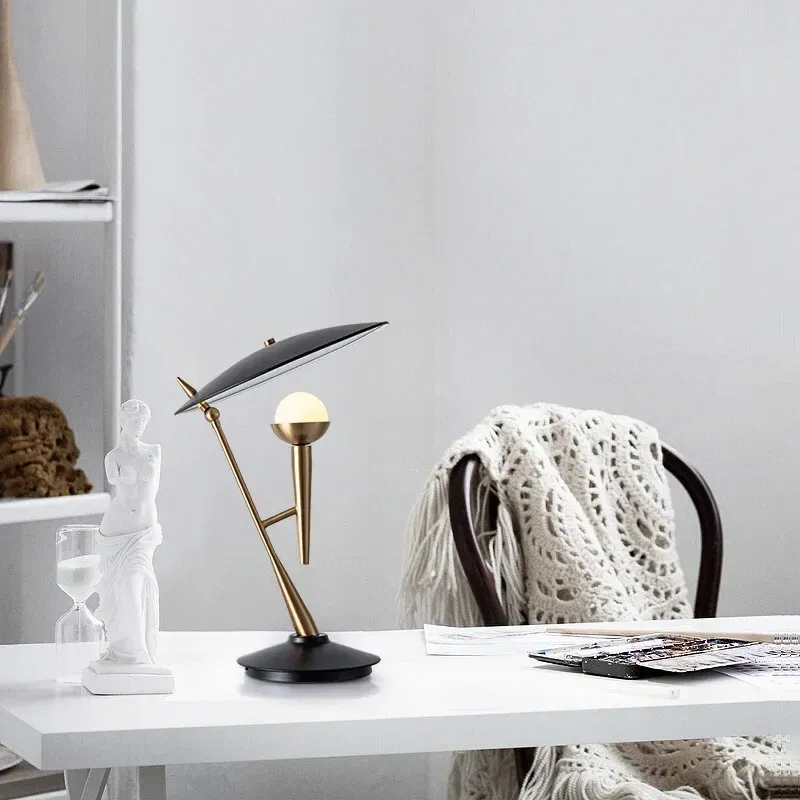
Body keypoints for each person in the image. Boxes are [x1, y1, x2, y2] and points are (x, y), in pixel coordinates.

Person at [95, 399, 163, 665]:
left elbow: (152, 490)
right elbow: (116, 482)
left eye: (143, 422)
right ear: (123, 422)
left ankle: (136, 652)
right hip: (116, 530)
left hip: (142, 532)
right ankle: (127, 651)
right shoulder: (113, 457)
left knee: (134, 590)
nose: (139, 426)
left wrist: (154, 527)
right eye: (135, 421)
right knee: (122, 593)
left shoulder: (154, 451)